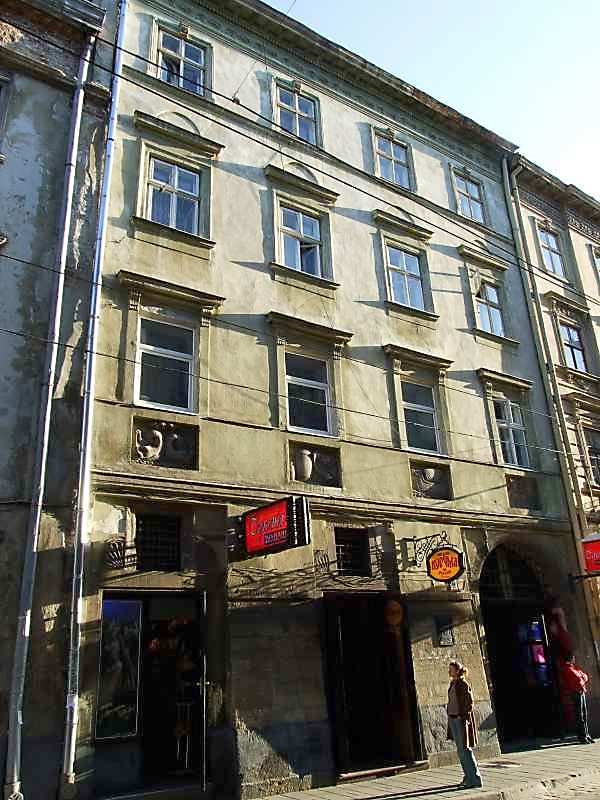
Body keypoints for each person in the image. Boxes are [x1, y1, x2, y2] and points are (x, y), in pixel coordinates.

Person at [447, 660, 482, 789]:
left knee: (465, 749)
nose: (449, 671)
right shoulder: (453, 683)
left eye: (451, 669)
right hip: (453, 719)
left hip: (460, 720)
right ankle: (468, 776)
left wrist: (462, 715)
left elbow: (469, 702)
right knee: (460, 750)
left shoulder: (463, 684)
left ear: (457, 671)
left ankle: (475, 778)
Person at [560, 653, 593, 744]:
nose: (574, 660)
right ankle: (582, 736)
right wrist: (582, 678)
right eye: (573, 658)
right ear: (570, 659)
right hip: (575, 692)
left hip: (581, 691)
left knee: (584, 714)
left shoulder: (574, 668)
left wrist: (582, 678)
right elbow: (578, 679)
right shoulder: (567, 669)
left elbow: (585, 676)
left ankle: (587, 734)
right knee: (580, 716)